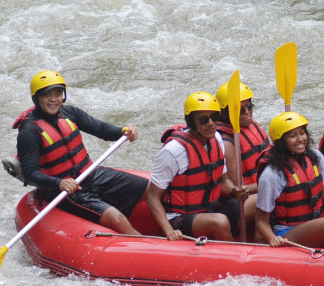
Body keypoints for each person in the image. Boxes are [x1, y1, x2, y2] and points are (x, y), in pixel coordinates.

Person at [13, 70, 146, 235]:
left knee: (149, 188)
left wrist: (123, 131)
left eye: (58, 93)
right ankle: (151, 248)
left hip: (90, 175)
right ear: (37, 98)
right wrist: (59, 183)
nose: (54, 99)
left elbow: (101, 129)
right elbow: (30, 173)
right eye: (47, 95)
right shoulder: (29, 131)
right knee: (116, 218)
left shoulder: (69, 113)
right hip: (65, 191)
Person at [147, 91, 250, 242]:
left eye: (214, 118)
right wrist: (169, 230)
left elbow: (223, 180)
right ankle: (234, 258)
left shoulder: (217, 139)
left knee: (256, 203)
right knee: (219, 222)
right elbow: (153, 197)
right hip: (178, 218)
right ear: (191, 121)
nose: (210, 123)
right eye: (204, 119)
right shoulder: (173, 151)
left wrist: (235, 191)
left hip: (209, 208)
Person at [255, 112, 324, 249]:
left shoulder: (316, 157)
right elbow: (261, 221)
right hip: (288, 233)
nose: (300, 139)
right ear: (281, 141)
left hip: (318, 220)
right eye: (292, 136)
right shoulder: (272, 174)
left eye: (302, 133)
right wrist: (273, 239)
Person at [215, 81, 270, 235]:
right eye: (240, 110)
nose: (247, 113)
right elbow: (239, 190)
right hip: (233, 207)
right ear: (225, 113)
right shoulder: (227, 143)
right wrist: (273, 183)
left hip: (255, 195)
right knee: (277, 193)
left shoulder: (251, 127)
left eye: (249, 107)